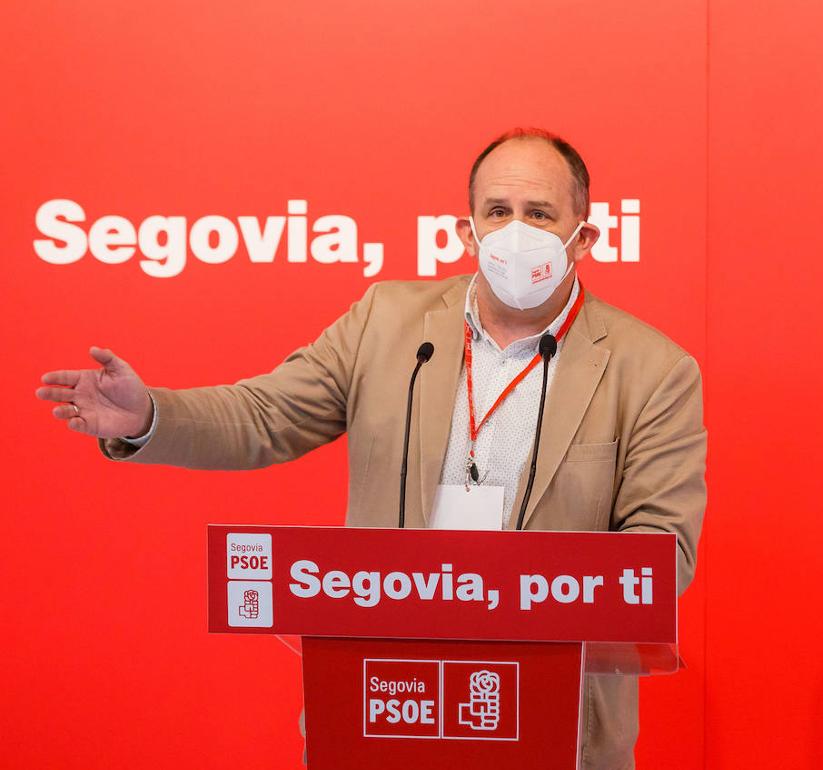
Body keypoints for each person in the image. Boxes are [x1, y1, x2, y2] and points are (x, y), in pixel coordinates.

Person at [35, 127, 707, 770]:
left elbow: (660, 556)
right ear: (465, 231)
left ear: (583, 236)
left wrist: (512, 591)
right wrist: (149, 414)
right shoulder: (386, 323)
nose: (517, 231)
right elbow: (265, 414)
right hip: (384, 703)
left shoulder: (653, 369)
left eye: (540, 213)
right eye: (497, 211)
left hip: (561, 726)